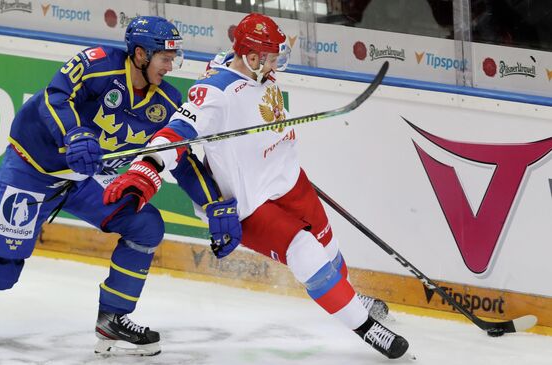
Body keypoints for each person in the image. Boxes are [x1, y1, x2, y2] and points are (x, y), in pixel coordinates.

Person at [104, 13, 409, 360]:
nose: (278, 63)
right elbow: (174, 135)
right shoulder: (213, 94)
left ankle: (349, 296)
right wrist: (145, 172)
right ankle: (367, 329)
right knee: (306, 252)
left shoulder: (251, 65)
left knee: (328, 248)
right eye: (273, 56)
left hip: (290, 180)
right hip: (250, 203)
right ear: (252, 57)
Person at [0, 16, 214, 356]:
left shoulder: (166, 102)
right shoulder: (97, 64)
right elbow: (56, 95)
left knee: (145, 225)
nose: (171, 66)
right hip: (32, 170)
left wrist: (212, 203)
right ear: (141, 53)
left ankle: (113, 317)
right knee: (3, 271)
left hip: (86, 180)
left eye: (174, 58)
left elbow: (178, 156)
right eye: (165, 58)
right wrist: (73, 133)